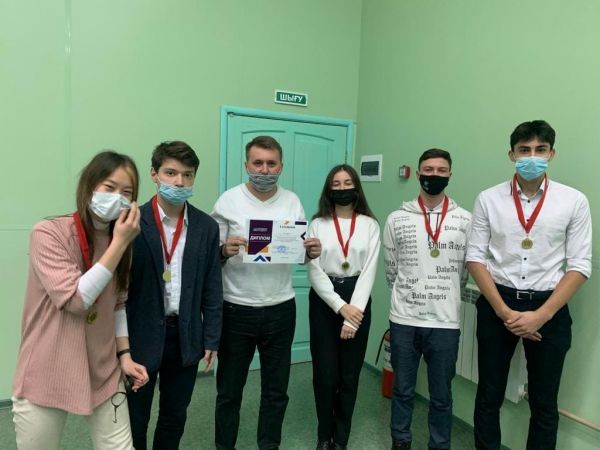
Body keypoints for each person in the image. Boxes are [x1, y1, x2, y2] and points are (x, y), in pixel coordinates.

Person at [466, 120, 592, 450]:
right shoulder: (488, 199)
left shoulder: (573, 201)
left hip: (549, 307)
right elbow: (475, 258)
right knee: (489, 394)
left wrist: (541, 316)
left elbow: (580, 265)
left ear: (552, 154)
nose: (532, 157)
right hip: (498, 302)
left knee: (544, 403)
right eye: (524, 150)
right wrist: (504, 312)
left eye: (540, 150)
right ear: (511, 154)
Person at [12, 151, 149, 450]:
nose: (117, 197)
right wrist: (120, 242)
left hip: (103, 370)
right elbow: (77, 300)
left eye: (127, 193)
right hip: (48, 369)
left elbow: (118, 303)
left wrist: (124, 355)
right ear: (89, 186)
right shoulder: (48, 233)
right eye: (109, 187)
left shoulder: (120, 242)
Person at [212, 135, 322, 450]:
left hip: (280, 308)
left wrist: (309, 253)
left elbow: (297, 253)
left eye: (271, 163)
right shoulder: (227, 201)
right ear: (246, 164)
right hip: (236, 308)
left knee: (276, 392)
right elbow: (211, 256)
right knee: (229, 392)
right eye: (257, 162)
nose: (264, 169)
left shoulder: (292, 201)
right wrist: (224, 250)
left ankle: (269, 445)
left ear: (281, 167)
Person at [125, 141, 223, 450]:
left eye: (187, 175)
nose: (179, 182)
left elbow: (212, 286)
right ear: (154, 174)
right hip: (140, 335)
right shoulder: (131, 221)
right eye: (171, 173)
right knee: (135, 417)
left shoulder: (206, 227)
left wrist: (211, 339)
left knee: (174, 415)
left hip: (185, 335)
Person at [384, 149, 472, 450]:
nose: (434, 175)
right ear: (419, 173)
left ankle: (439, 444)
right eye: (428, 169)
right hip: (404, 319)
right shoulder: (397, 218)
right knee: (402, 389)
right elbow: (391, 269)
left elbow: (463, 272)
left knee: (442, 395)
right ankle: (401, 441)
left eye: (441, 170)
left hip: (445, 321)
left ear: (450, 175)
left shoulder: (465, 220)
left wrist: (444, 294)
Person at [307, 164, 380, 450]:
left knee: (349, 375)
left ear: (356, 187)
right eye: (336, 184)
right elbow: (314, 270)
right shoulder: (317, 223)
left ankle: (341, 438)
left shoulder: (370, 225)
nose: (342, 188)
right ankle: (323, 436)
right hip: (325, 300)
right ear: (329, 189)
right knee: (325, 375)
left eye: (347, 183)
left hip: (358, 298)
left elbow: (369, 271)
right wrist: (340, 307)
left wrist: (353, 316)